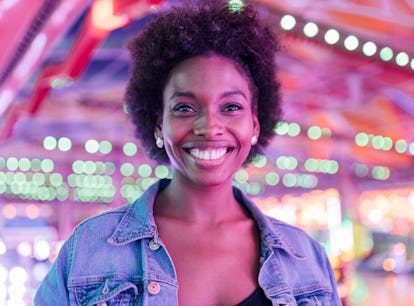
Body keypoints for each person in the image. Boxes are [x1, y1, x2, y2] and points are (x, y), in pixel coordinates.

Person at [35, 0, 342, 305]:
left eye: (231, 107)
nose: (209, 127)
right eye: (184, 108)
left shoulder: (306, 260)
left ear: (255, 126)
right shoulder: (89, 249)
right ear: (158, 125)